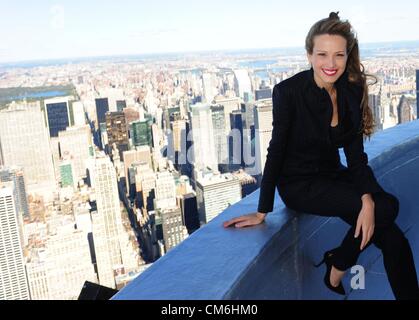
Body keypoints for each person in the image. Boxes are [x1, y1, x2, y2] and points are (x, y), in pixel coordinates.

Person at [223, 11, 419, 300]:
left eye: (338, 55)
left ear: (346, 55)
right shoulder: (288, 92)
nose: (330, 64)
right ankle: (339, 262)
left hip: (334, 174)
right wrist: (262, 210)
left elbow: (355, 154)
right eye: (322, 54)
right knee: (385, 210)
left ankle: (339, 263)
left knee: (391, 233)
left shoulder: (351, 88)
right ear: (309, 54)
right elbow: (276, 150)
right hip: (300, 184)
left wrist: (366, 198)